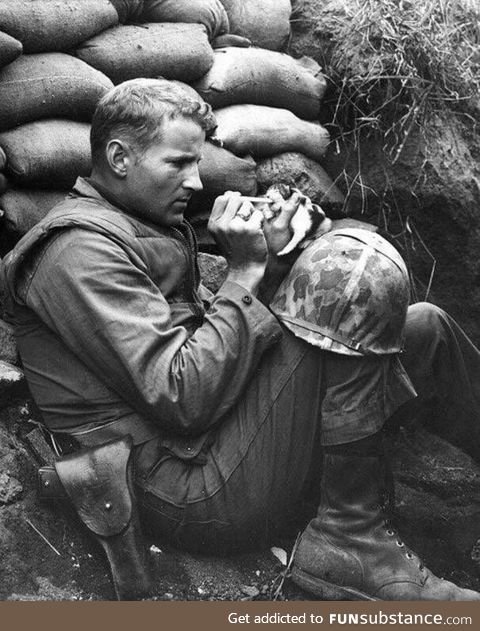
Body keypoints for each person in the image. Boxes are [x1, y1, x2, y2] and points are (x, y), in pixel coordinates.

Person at [1, 78, 480, 601]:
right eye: (177, 163)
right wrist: (246, 274)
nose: (196, 181)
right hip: (186, 487)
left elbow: (216, 350)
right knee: (348, 275)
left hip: (214, 442)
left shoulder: (136, 227)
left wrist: (271, 268)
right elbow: (181, 397)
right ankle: (349, 540)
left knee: (425, 329)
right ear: (118, 157)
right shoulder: (76, 253)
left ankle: (354, 523)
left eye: (197, 162)